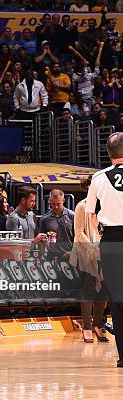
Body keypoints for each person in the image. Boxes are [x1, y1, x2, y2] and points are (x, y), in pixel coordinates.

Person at [86, 132, 123, 366]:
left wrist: (100, 235)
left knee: (117, 300)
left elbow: (90, 213)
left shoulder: (99, 178)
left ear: (109, 153)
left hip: (111, 240)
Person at [70, 176, 108, 343]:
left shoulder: (107, 205)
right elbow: (79, 233)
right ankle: (86, 326)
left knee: (103, 291)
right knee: (88, 290)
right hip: (86, 253)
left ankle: (99, 325)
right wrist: (94, 248)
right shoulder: (82, 206)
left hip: (106, 252)